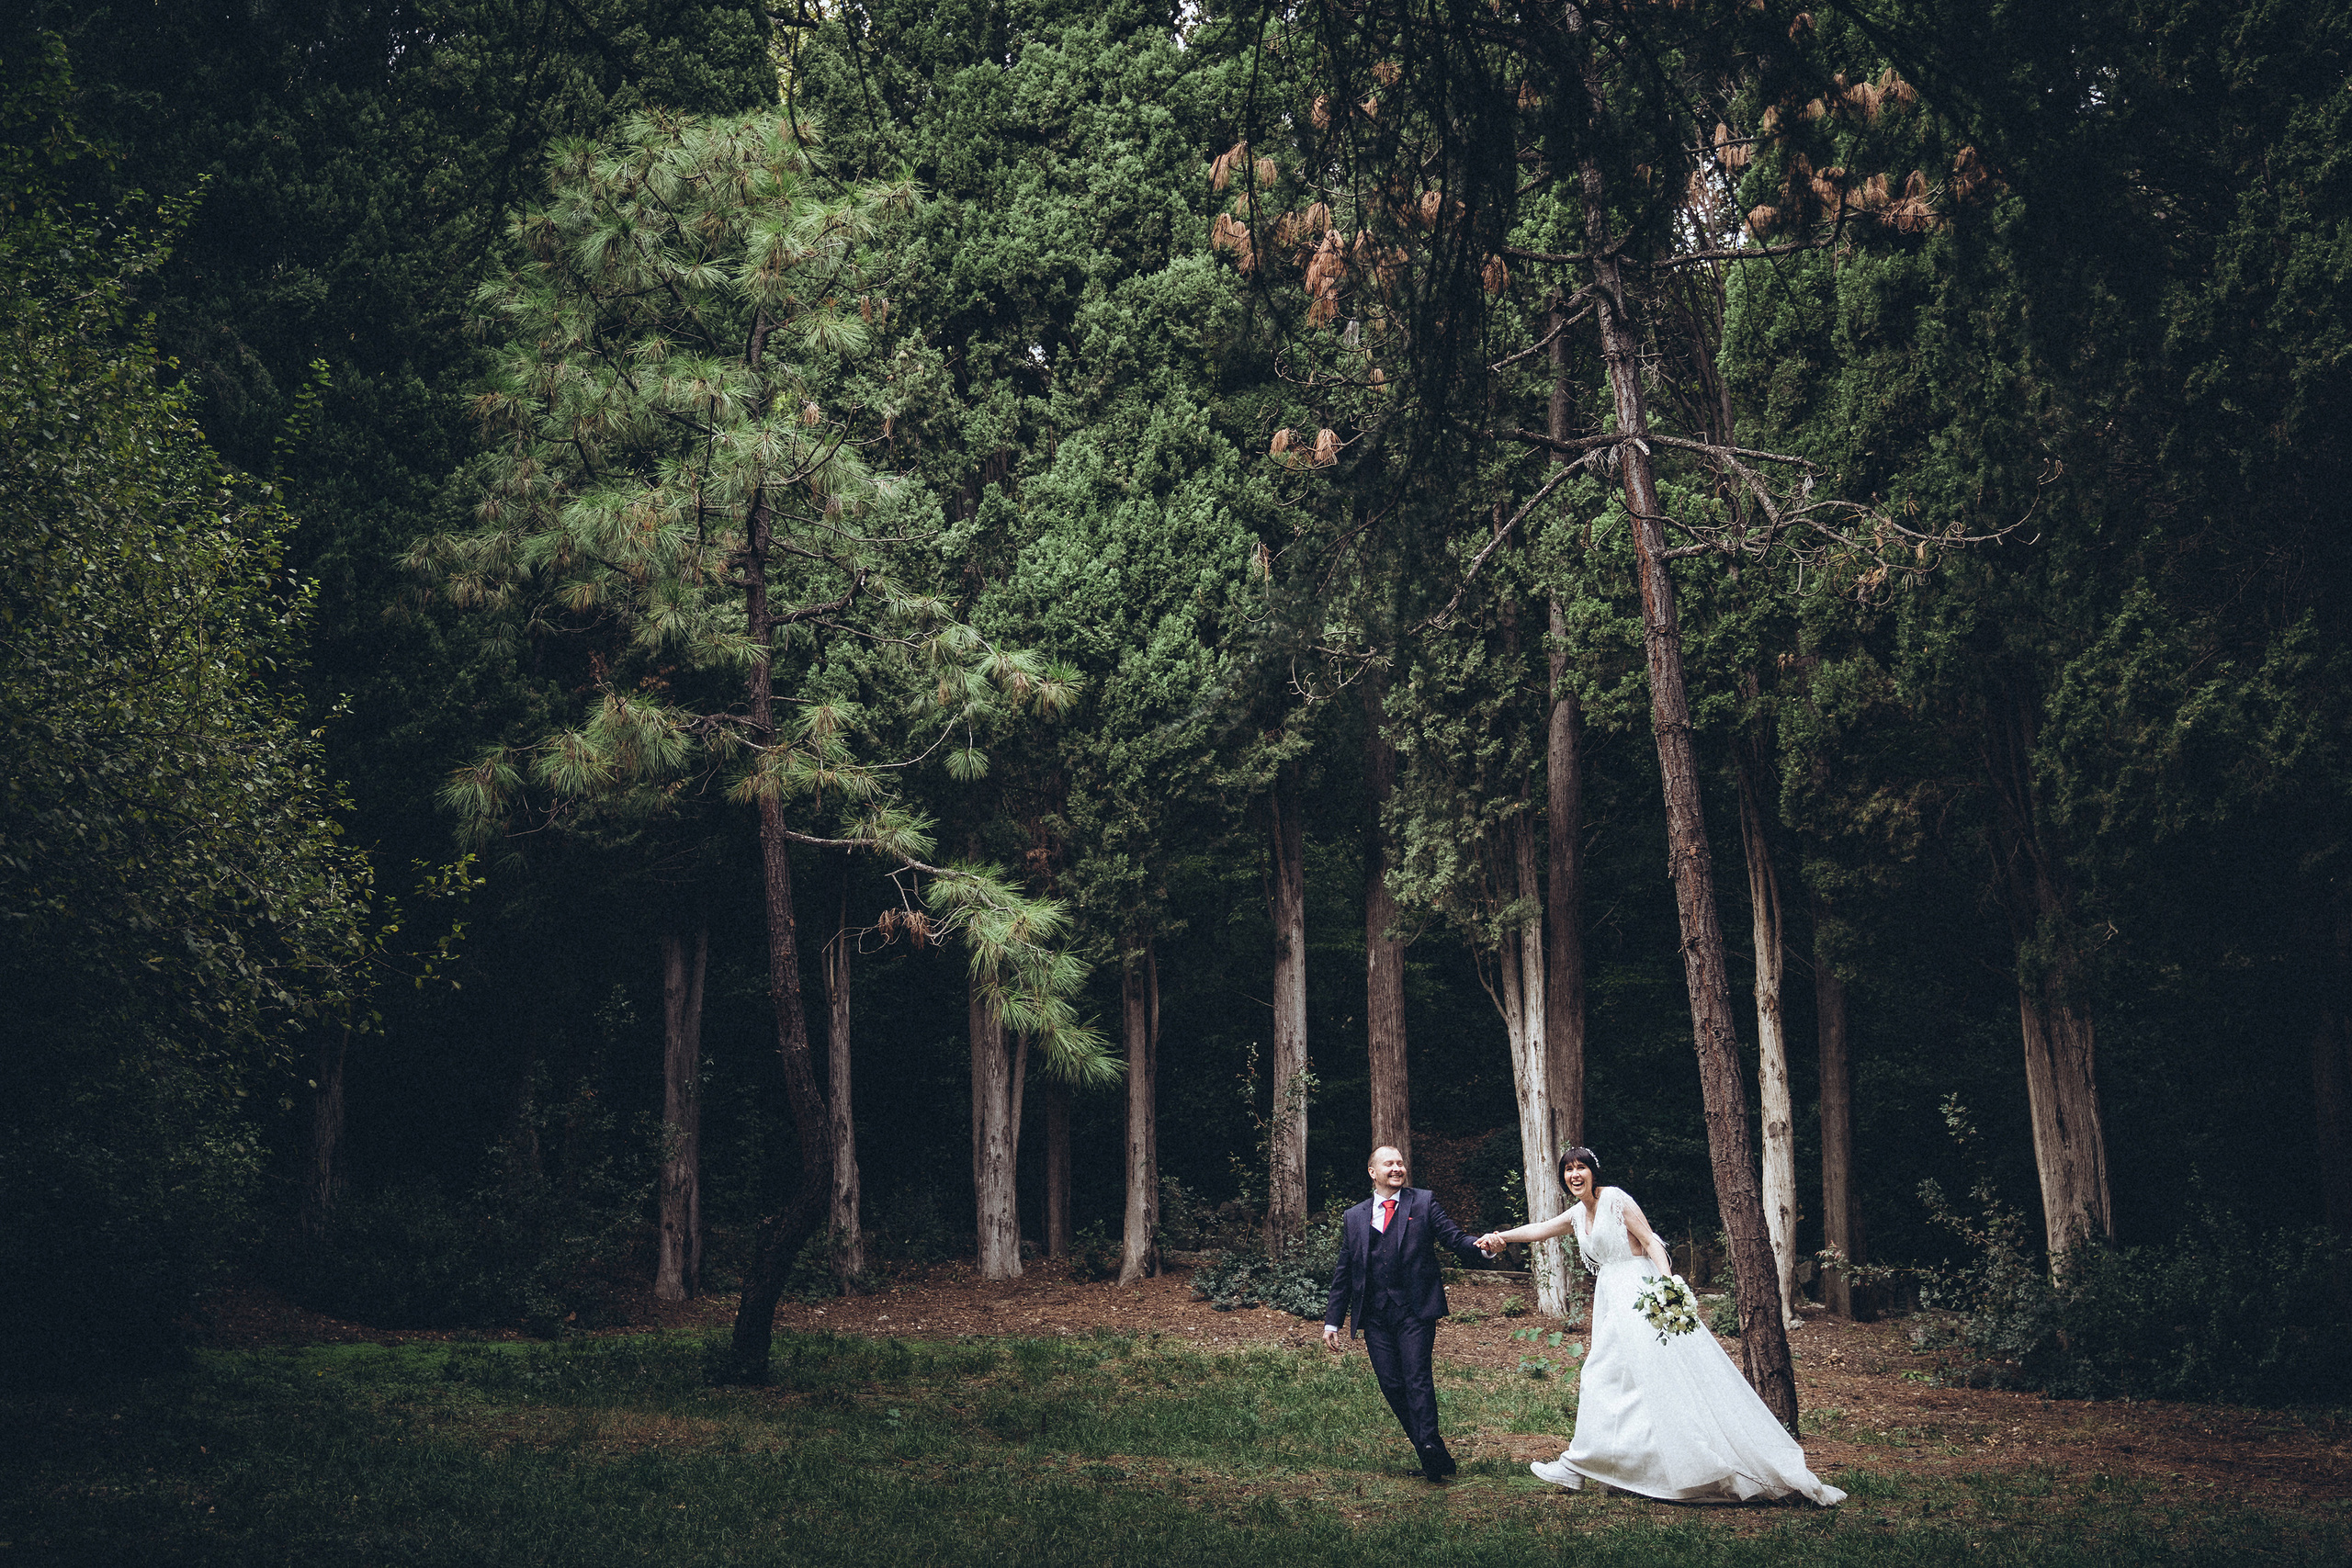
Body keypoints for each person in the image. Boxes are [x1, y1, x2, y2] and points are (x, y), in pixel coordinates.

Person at [1476, 1147, 1846, 1506]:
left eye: (1581, 1167)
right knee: (1618, 1381)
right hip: (1611, 1301)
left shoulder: (1616, 1199)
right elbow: (1540, 1229)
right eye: (1568, 1169)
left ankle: (1581, 1465)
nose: (1575, 1174)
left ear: (1593, 1172)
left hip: (1639, 1293)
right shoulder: (1577, 1214)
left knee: (1628, 1378)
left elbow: (1651, 1240)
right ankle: (1612, 1464)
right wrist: (1501, 1236)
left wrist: (1667, 1287)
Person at [1323, 1145, 1490, 1483]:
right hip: (1374, 1316)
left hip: (1415, 1310)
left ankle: (1429, 1450)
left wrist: (1482, 1246)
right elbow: (1346, 1270)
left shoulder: (1424, 1202)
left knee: (1416, 1379)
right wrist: (1332, 1321)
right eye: (1389, 1164)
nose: (1397, 1168)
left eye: (1400, 1163)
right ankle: (1432, 1451)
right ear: (1373, 1172)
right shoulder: (1355, 1216)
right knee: (1391, 1384)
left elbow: (1453, 1238)